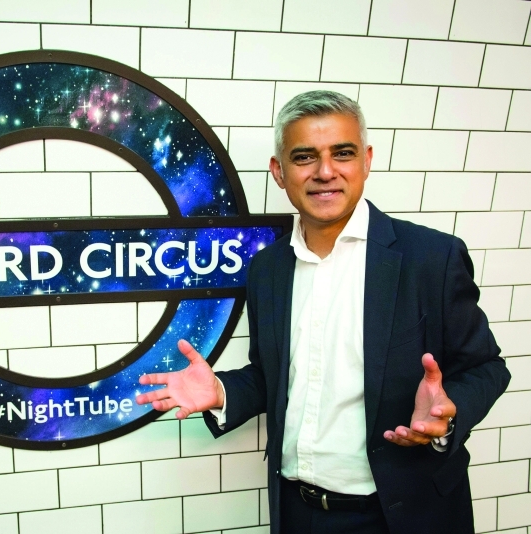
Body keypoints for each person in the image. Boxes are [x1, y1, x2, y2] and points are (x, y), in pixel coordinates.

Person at [135, 90, 510, 534]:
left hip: (405, 515)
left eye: (342, 153)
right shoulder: (267, 269)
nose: (325, 171)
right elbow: (276, 375)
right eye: (304, 157)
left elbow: (486, 367)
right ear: (279, 171)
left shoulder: (432, 257)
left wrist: (449, 415)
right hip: (298, 513)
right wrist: (221, 391)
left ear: (366, 160)